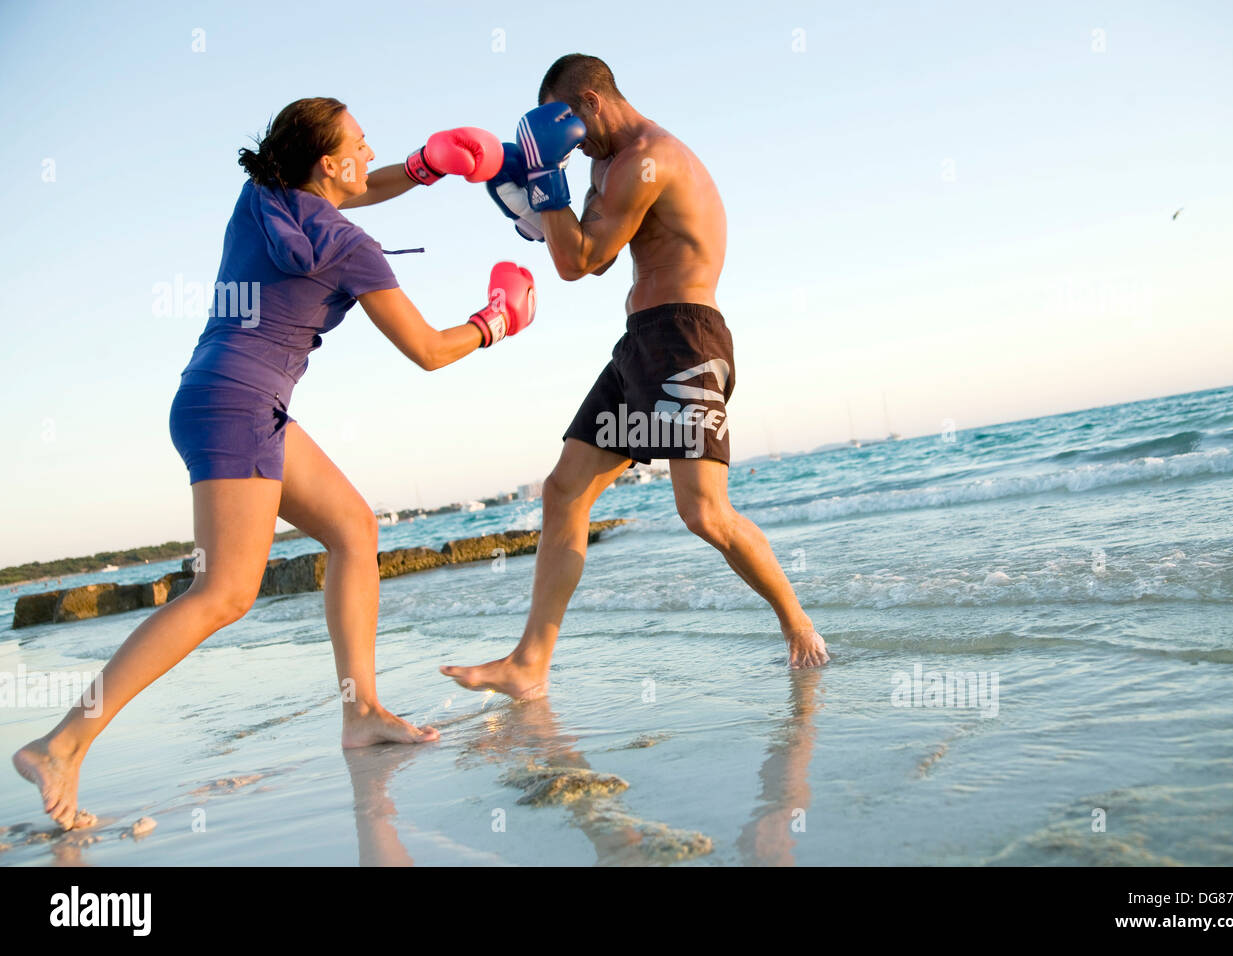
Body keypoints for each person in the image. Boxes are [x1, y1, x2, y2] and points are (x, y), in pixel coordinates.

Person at [13, 97, 537, 829]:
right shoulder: (349, 245)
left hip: (216, 395)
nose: (370, 148)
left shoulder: (261, 196)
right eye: (361, 141)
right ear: (330, 162)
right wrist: (498, 321)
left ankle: (361, 715)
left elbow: (360, 186)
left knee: (354, 529)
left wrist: (422, 170)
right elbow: (427, 351)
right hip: (240, 408)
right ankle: (63, 742)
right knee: (223, 593)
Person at [442, 55, 828, 701]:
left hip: (684, 340)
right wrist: (536, 201)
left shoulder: (650, 159)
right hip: (641, 343)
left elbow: (577, 262)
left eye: (566, 122)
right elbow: (585, 262)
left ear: (590, 99)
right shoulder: (602, 164)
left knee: (704, 511)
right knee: (563, 491)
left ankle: (798, 625)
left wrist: (543, 180)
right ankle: (529, 664)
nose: (573, 142)